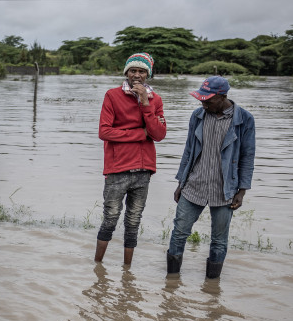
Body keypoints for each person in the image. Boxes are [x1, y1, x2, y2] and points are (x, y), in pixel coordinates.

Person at [166, 76, 255, 279]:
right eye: (201, 100)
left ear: (222, 97)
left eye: (208, 100)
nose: (203, 104)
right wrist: (181, 182)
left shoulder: (244, 120)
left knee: (219, 240)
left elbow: (247, 157)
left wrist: (242, 191)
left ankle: (212, 286)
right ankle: (170, 282)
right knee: (179, 232)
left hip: (225, 189)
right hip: (194, 185)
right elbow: (188, 151)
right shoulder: (198, 115)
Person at [95, 52, 167, 266]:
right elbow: (105, 132)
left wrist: (145, 103)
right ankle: (97, 266)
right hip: (117, 169)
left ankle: (128, 271)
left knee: (134, 221)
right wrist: (140, 134)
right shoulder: (112, 95)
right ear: (126, 72)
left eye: (142, 71)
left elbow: (159, 134)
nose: (137, 75)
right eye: (133, 70)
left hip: (144, 170)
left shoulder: (156, 99)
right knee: (110, 218)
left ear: (148, 75)